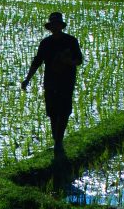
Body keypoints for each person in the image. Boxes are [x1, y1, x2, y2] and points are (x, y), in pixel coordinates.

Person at [21, 12, 83, 154]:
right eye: (53, 25)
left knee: (65, 111)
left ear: (61, 26)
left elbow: (79, 60)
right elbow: (37, 62)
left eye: (57, 24)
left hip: (66, 81)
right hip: (50, 82)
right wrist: (27, 79)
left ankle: (59, 141)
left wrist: (69, 62)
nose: (55, 27)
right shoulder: (46, 43)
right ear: (50, 27)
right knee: (52, 111)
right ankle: (57, 138)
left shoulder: (71, 41)